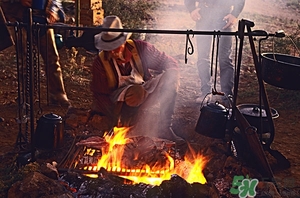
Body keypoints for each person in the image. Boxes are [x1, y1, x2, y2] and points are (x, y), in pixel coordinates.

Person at [91, 15, 184, 143]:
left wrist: (172, 74)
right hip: (118, 106)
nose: (112, 51)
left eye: (115, 46)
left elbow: (169, 62)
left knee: (171, 76)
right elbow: (100, 95)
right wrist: (111, 121)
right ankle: (130, 124)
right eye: (108, 47)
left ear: (123, 42)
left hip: (143, 94)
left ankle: (165, 127)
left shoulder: (140, 49)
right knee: (135, 92)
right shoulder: (100, 63)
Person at [0, 0, 70, 107]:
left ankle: (58, 94)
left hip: (43, 17)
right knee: (24, 60)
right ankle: (27, 96)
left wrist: (52, 9)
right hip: (18, 17)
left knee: (52, 58)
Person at [184, 0, 245, 103]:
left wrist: (234, 14)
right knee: (203, 57)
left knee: (224, 59)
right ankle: (206, 93)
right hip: (203, 16)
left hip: (224, 17)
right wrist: (192, 9)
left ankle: (227, 95)